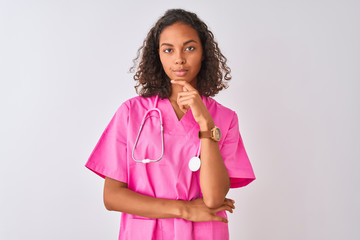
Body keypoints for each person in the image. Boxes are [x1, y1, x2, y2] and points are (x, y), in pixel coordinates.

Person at [85, 8, 255, 240]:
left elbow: (214, 199)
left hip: (204, 233)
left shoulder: (224, 119)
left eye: (190, 48)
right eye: (168, 50)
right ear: (158, 56)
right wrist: (184, 210)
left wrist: (205, 123)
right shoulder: (131, 113)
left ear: (204, 53)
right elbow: (112, 197)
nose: (179, 58)